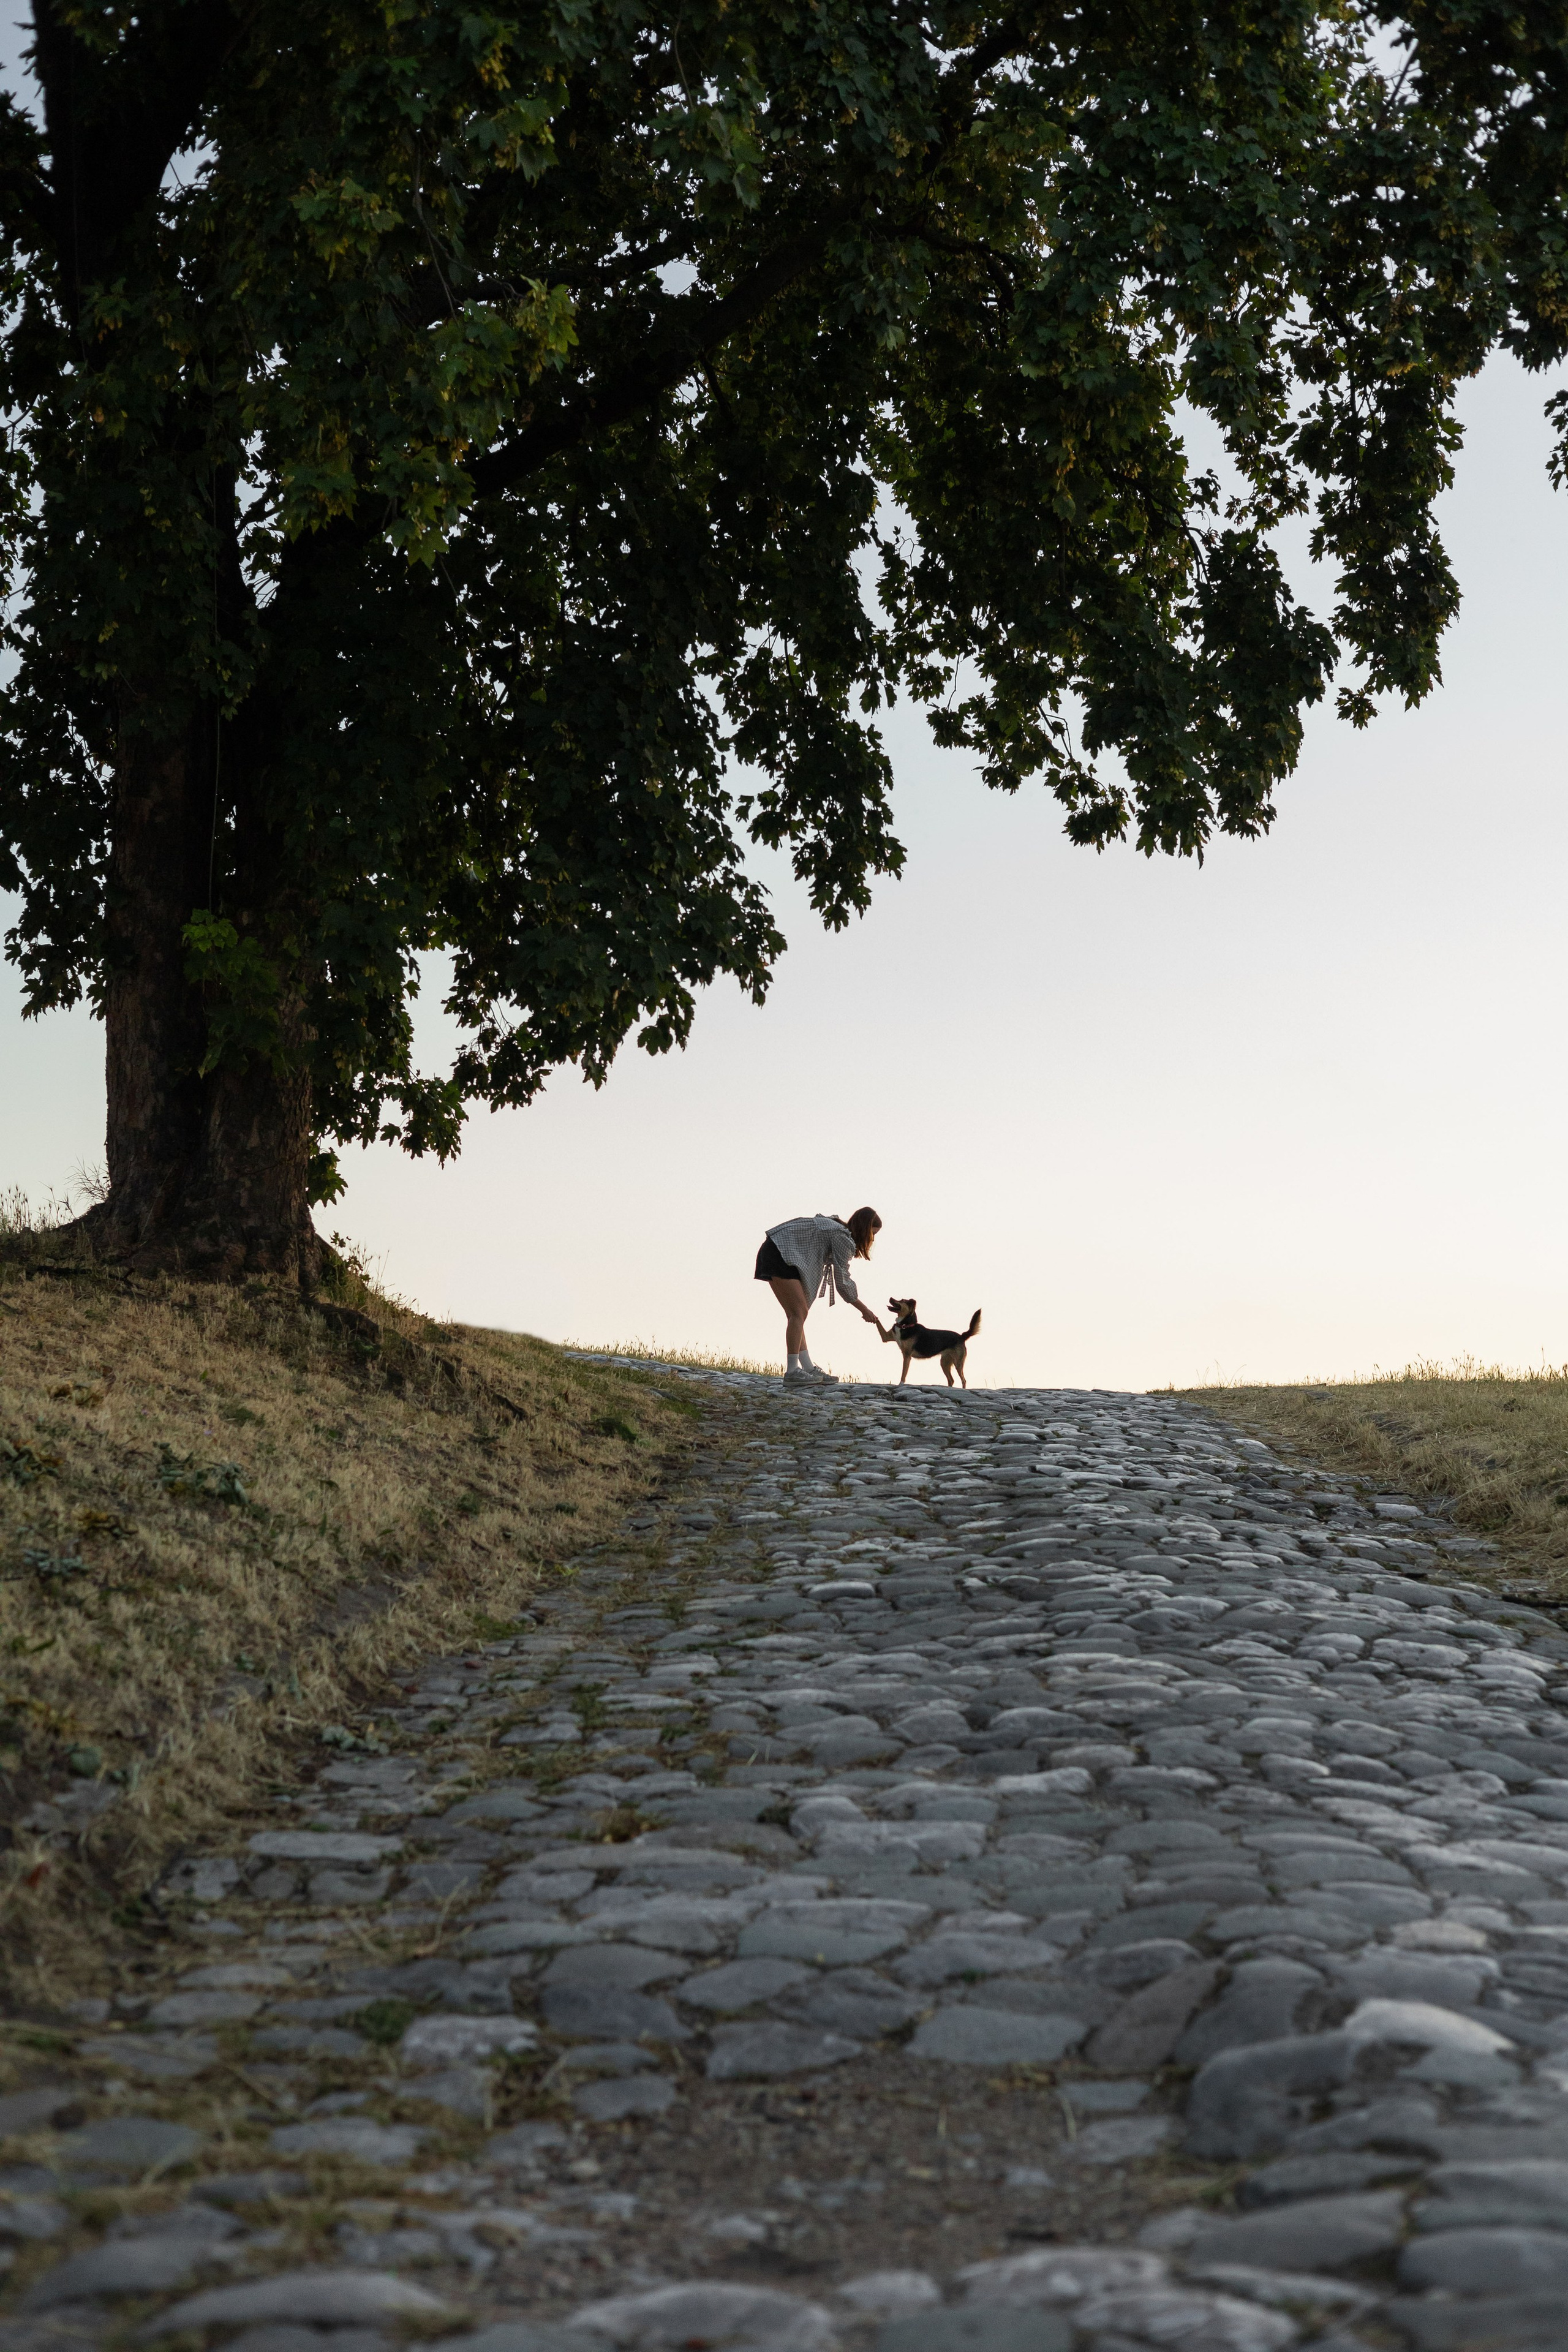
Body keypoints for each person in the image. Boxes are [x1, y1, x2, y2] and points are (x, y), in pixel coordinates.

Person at [754, 1208, 883, 1382]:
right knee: (799, 1313)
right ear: (865, 1230)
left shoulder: (837, 1228)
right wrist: (864, 1309)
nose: (873, 1239)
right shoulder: (841, 1237)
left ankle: (808, 1368)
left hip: (776, 1250)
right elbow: (843, 1282)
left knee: (797, 1313)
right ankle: (792, 1372)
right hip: (780, 1253)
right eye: (873, 1234)